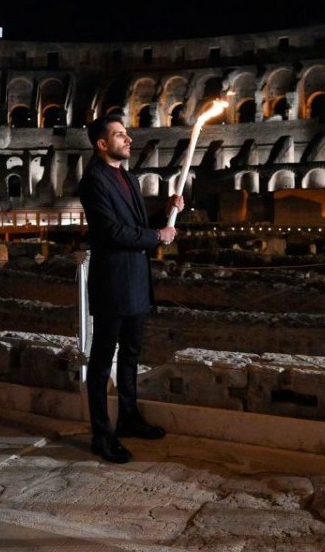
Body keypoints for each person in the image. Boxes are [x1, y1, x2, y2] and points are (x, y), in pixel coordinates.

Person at [77, 114, 182, 464]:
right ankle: (101, 435)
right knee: (102, 360)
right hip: (112, 283)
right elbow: (109, 232)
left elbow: (134, 225)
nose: (129, 140)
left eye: (127, 134)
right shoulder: (93, 181)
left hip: (136, 280)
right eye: (120, 135)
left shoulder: (128, 176)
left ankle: (129, 418)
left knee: (132, 355)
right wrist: (157, 237)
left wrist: (163, 214)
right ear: (102, 144)